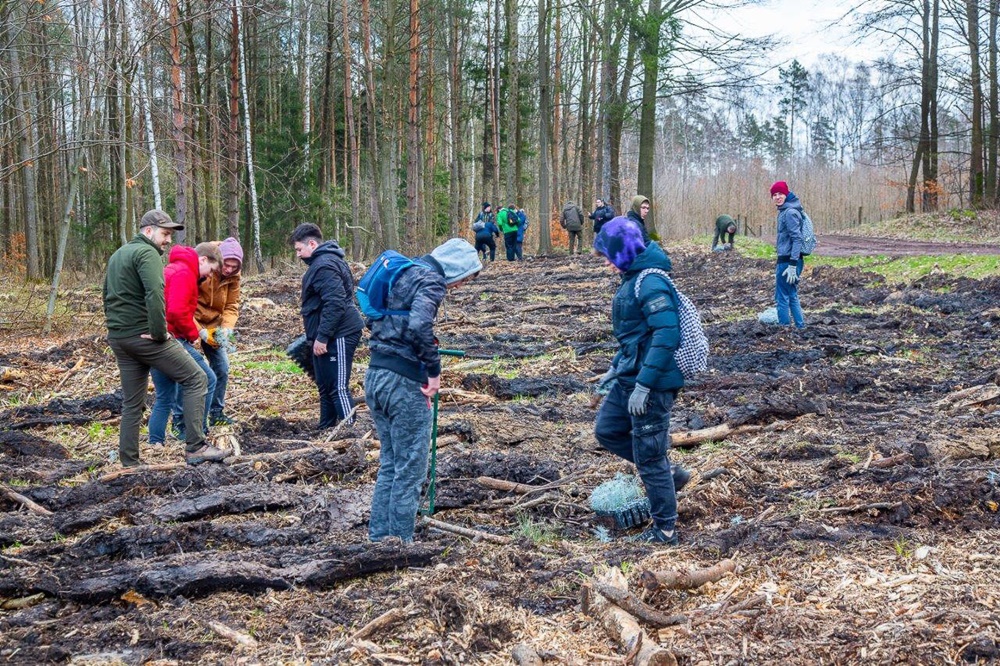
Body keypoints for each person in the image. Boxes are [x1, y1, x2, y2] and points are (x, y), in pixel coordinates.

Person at [365, 238, 482, 543]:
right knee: (410, 468)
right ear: (457, 268)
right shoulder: (431, 281)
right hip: (403, 383)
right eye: (464, 279)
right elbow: (419, 325)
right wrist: (433, 373)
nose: (459, 286)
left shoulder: (404, 272)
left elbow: (372, 319)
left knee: (390, 462)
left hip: (375, 374)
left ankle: (379, 540)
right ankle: (401, 545)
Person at [592, 216, 690, 545]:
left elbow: (666, 335)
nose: (605, 262)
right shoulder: (630, 277)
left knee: (649, 456)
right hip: (630, 377)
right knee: (607, 430)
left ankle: (665, 530)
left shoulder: (650, 282)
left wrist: (645, 385)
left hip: (653, 383)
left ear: (624, 251)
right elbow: (635, 337)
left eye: (608, 254)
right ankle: (669, 475)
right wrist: (615, 368)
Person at [102, 210, 227, 467]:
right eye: (165, 234)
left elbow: (107, 295)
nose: (168, 240)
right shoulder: (147, 253)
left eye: (170, 234)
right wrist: (160, 333)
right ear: (148, 231)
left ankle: (130, 462)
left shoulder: (118, 254)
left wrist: (116, 330)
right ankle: (196, 447)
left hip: (119, 337)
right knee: (197, 378)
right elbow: (155, 294)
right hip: (145, 337)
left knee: (132, 403)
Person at [149, 243, 223, 447]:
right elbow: (177, 312)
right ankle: (197, 433)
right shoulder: (185, 273)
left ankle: (155, 444)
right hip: (172, 339)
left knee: (165, 396)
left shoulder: (174, 269)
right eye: (211, 270)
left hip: (157, 339)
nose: (209, 276)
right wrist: (193, 335)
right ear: (203, 260)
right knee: (207, 379)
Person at [291, 223, 365, 428]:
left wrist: (322, 337)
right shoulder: (323, 263)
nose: (298, 255)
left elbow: (335, 302)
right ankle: (326, 429)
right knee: (324, 386)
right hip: (325, 334)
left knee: (338, 387)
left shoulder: (324, 265)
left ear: (312, 244)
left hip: (340, 332)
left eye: (299, 249)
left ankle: (351, 432)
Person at [171, 237, 244, 434]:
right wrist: (198, 331)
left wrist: (227, 328)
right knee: (187, 370)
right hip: (190, 322)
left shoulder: (234, 277)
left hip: (215, 325)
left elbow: (231, 305)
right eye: (226, 265)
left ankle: (216, 412)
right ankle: (179, 419)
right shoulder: (204, 264)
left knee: (222, 367)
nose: (228, 270)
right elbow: (183, 303)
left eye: (234, 267)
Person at [770, 181, 806, 329]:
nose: (777, 197)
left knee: (782, 297)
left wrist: (792, 264)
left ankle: (784, 328)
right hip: (792, 260)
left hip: (788, 261)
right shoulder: (787, 210)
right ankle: (800, 327)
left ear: (787, 194)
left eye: (780, 194)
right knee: (791, 294)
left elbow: (797, 239)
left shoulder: (789, 212)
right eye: (774, 194)